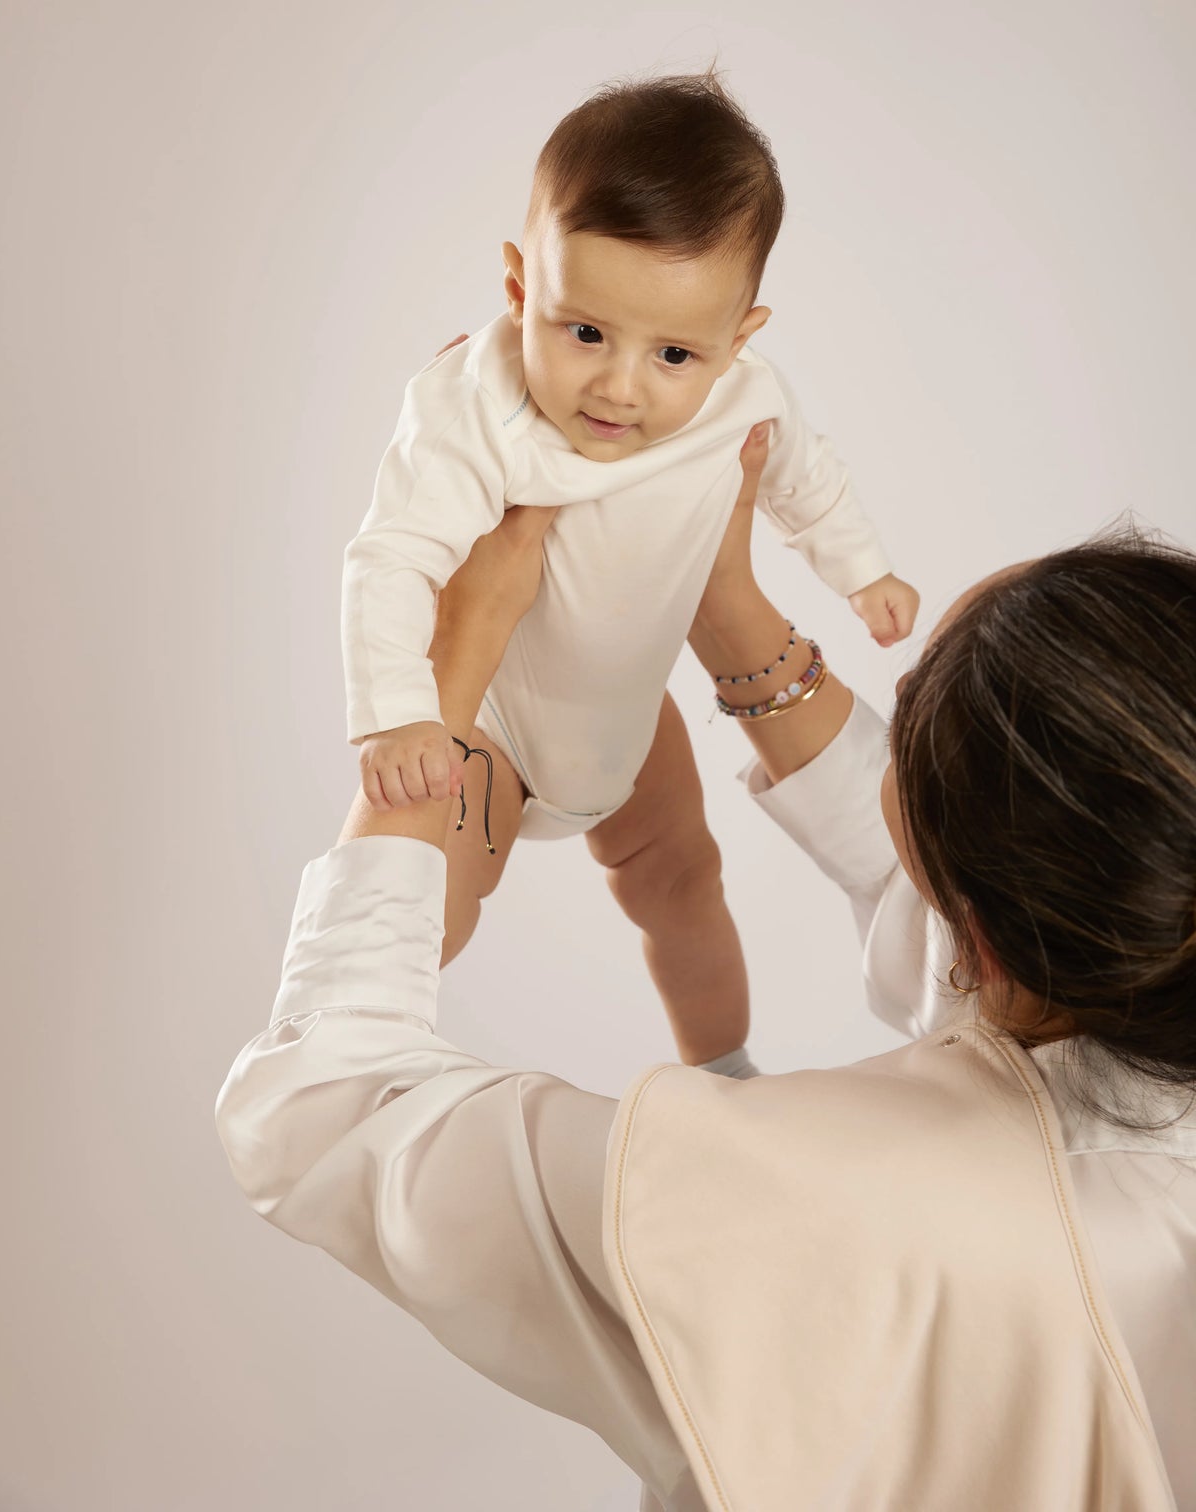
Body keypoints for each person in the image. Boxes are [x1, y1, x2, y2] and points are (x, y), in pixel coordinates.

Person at [216, 428, 1196, 1510]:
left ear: (985, 937)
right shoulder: (1136, 977)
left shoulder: (787, 1204)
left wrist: (440, 691)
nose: (898, 690)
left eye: (912, 702)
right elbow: (1004, 902)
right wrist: (726, 604)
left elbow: (319, 1112)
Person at [340, 68, 918, 1082]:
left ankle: (725, 1074)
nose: (619, 387)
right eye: (585, 332)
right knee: (439, 906)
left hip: (628, 721)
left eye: (674, 357)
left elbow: (804, 480)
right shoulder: (471, 405)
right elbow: (391, 555)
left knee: (686, 883)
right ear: (521, 289)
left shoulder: (746, 400)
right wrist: (399, 713)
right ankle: (353, 1051)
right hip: (496, 732)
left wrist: (861, 572)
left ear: (740, 341)